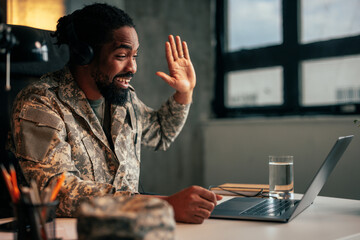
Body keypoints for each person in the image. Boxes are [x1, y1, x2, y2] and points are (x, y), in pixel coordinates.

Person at [8, 3, 221, 224]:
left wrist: (184, 92)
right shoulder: (39, 103)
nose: (133, 67)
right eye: (121, 55)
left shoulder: (122, 98)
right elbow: (58, 191)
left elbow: (160, 132)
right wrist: (160, 204)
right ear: (84, 56)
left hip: (129, 228)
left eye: (135, 56)